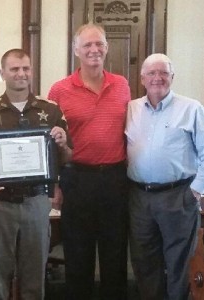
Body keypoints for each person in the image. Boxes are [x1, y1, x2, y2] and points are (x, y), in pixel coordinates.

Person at [0, 49, 71, 299]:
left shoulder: (51, 111)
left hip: (36, 202)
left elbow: (68, 158)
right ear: (3, 73)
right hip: (0, 203)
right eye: (14, 69)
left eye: (26, 68)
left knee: (35, 273)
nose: (21, 74)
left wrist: (63, 144)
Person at [126, 53, 204, 299]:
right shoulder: (131, 109)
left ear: (172, 77)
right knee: (144, 261)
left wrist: (195, 191)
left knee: (180, 262)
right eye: (151, 73)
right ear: (142, 79)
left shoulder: (191, 109)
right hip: (138, 197)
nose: (158, 78)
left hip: (178, 196)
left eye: (163, 73)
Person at [47, 23, 130, 299]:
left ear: (106, 48)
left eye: (99, 44)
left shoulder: (122, 85)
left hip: (116, 180)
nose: (94, 50)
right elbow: (52, 143)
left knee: (115, 256)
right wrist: (54, 185)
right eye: (87, 45)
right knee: (78, 255)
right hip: (77, 179)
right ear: (76, 51)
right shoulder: (59, 90)